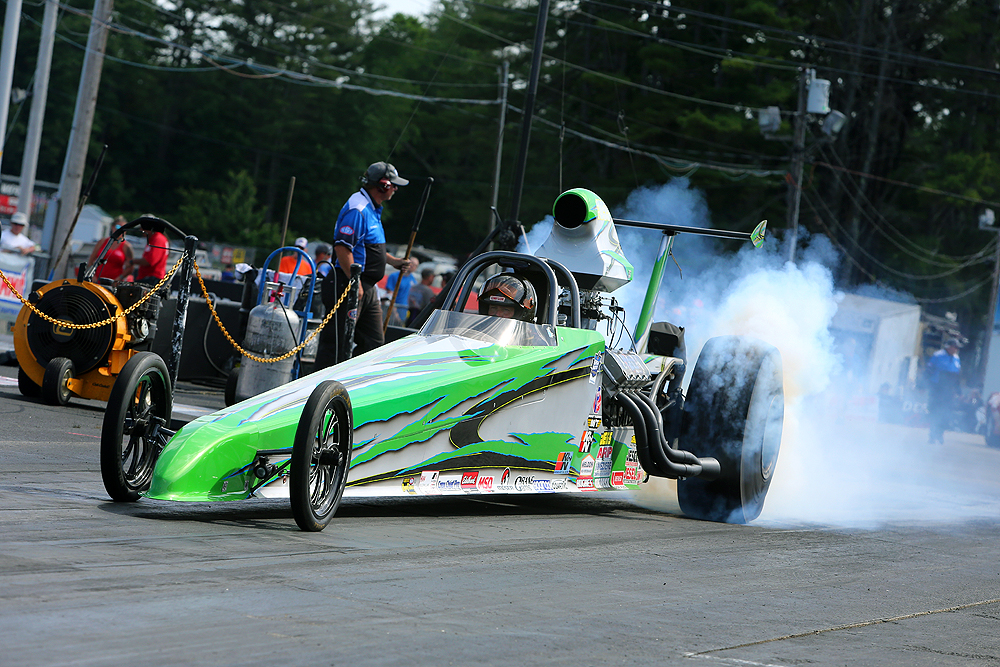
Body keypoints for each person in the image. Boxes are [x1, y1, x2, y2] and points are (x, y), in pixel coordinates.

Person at [315, 161, 411, 369]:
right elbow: (343, 248)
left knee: (373, 344)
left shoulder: (372, 208)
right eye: (393, 185)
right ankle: (321, 387)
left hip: (366, 287)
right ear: (383, 185)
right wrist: (354, 282)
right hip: (348, 284)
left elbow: (369, 248)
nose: (395, 189)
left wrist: (393, 262)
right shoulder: (358, 209)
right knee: (336, 345)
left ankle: (352, 382)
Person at [926, 337, 962, 444]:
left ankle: (940, 434)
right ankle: (932, 435)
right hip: (937, 388)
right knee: (935, 412)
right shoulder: (938, 355)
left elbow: (957, 377)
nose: (955, 349)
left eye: (956, 348)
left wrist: (958, 391)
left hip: (948, 391)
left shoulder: (956, 358)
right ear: (948, 347)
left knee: (945, 413)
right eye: (954, 347)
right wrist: (923, 385)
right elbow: (929, 370)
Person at [87, 215, 134, 281]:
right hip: (98, 280)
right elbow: (91, 260)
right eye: (118, 227)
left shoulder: (126, 246)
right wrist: (92, 275)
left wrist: (119, 279)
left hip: (114, 281)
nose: (121, 230)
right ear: (112, 227)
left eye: (124, 228)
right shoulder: (102, 242)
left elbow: (130, 267)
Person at [384, 257, 419, 325]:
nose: (412, 266)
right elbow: (389, 295)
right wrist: (394, 312)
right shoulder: (394, 276)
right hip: (393, 310)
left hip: (406, 311)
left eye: (415, 265)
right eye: (411, 263)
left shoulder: (414, 281)